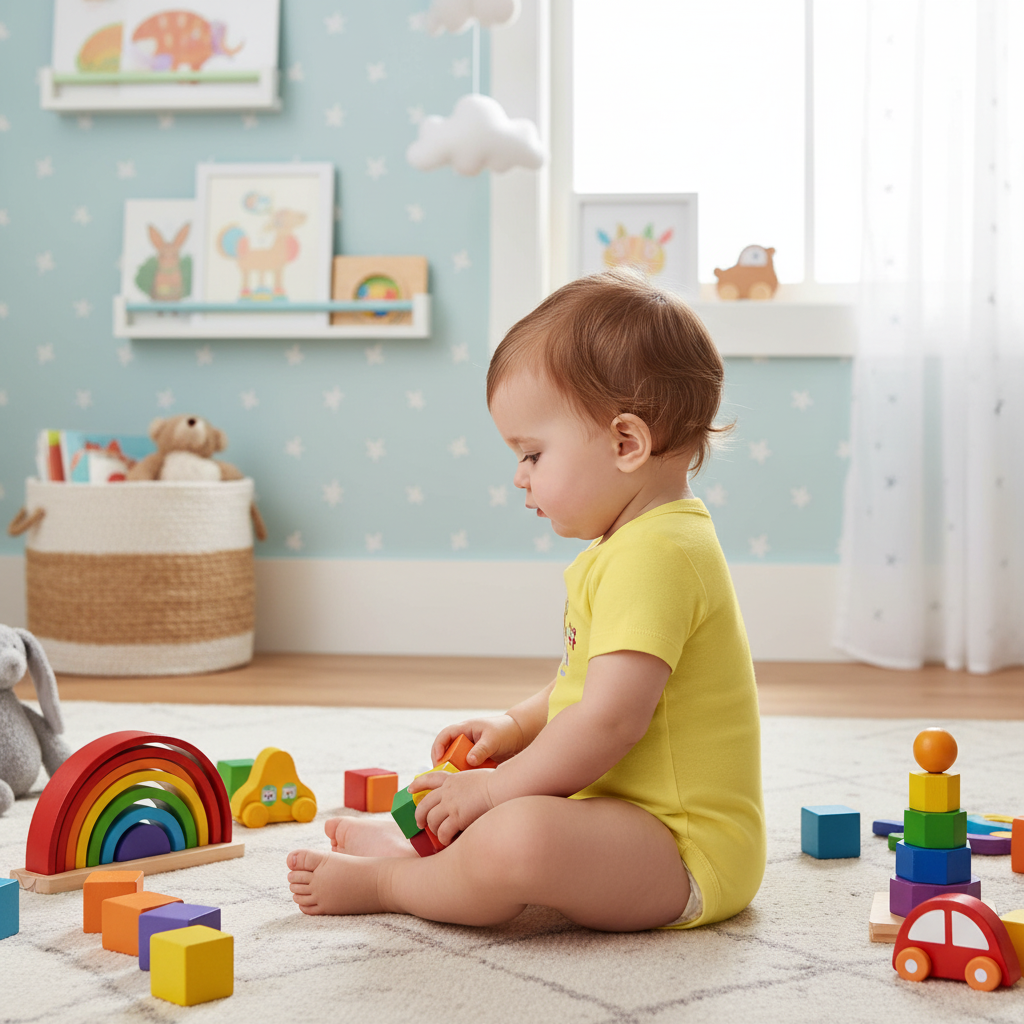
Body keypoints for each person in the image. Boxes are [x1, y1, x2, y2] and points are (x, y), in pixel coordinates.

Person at [287, 269, 766, 931]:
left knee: (519, 832)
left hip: (686, 855)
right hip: (627, 822)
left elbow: (607, 723)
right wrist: (513, 729)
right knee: (509, 796)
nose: (519, 476)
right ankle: (424, 849)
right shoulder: (627, 547)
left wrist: (493, 788)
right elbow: (581, 687)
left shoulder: (658, 556)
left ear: (627, 443)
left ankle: (398, 879)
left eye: (533, 453)